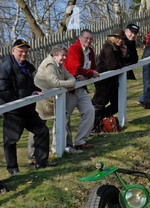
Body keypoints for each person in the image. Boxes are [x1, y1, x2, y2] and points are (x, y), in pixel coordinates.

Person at [0, 39, 56, 173]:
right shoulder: (6, 67)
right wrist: (19, 102)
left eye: (26, 52)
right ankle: (13, 169)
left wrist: (35, 89)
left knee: (42, 131)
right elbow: (3, 90)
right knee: (11, 141)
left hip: (28, 109)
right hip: (14, 111)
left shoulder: (26, 66)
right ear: (13, 51)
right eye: (21, 52)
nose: (23, 54)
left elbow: (28, 85)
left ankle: (41, 163)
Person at [30, 44, 83, 158]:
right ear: (55, 55)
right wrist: (69, 84)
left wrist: (70, 82)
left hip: (54, 99)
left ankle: (64, 147)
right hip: (42, 100)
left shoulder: (59, 65)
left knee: (64, 119)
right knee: (37, 126)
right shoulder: (50, 65)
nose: (64, 58)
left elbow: (70, 77)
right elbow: (54, 82)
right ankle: (33, 155)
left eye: (65, 55)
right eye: (62, 55)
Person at [64, 29, 97, 150]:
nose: (88, 41)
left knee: (89, 110)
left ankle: (80, 141)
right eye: (86, 38)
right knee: (65, 116)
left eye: (90, 39)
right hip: (70, 88)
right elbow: (74, 69)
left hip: (81, 87)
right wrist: (89, 73)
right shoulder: (74, 49)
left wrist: (87, 73)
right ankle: (63, 145)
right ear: (80, 37)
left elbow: (94, 67)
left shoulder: (90, 51)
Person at [91, 28, 126, 130]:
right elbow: (113, 65)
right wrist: (120, 63)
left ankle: (100, 120)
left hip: (112, 81)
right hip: (103, 80)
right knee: (99, 104)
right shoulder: (108, 47)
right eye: (118, 38)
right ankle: (93, 126)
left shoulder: (117, 48)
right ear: (112, 37)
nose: (120, 40)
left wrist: (124, 54)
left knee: (117, 104)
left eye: (121, 38)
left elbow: (124, 63)